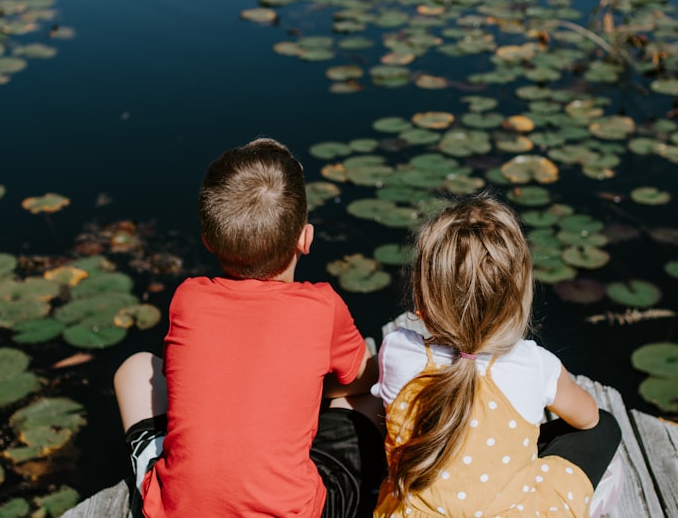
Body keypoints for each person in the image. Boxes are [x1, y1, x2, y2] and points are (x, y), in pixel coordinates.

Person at [113, 137, 385, 518]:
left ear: (208, 241)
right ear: (305, 239)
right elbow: (366, 379)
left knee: (136, 368)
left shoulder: (187, 298)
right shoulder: (323, 306)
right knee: (368, 401)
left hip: (177, 511)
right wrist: (310, 388)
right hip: (294, 513)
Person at [372, 194, 622, 518]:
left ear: (423, 294)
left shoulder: (397, 351)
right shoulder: (536, 365)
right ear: (519, 299)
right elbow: (587, 418)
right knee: (606, 427)